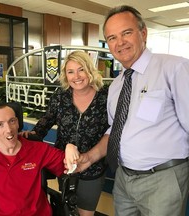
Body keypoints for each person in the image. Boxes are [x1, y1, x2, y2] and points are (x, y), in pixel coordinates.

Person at [76, 5, 189, 216]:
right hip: (124, 179)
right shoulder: (117, 85)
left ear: (143, 33)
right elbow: (115, 130)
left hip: (162, 180)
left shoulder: (175, 68)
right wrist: (90, 157)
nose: (120, 43)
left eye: (126, 33)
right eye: (112, 37)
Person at [21, 50, 109, 216]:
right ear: (65, 75)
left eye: (81, 69)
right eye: (70, 72)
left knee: (85, 213)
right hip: (65, 165)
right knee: (69, 209)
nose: (76, 76)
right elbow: (46, 122)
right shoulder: (60, 97)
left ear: (90, 70)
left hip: (94, 167)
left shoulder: (105, 97)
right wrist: (30, 135)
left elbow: (114, 130)